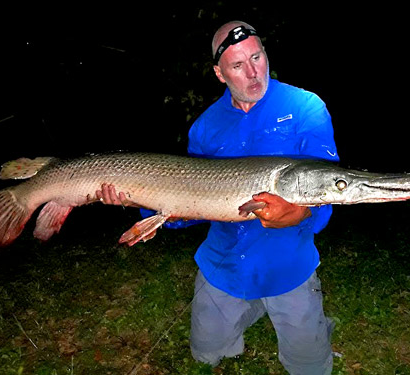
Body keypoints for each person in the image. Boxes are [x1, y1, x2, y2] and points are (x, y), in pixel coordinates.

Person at [98, 20, 339, 375]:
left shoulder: (306, 107)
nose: (254, 72)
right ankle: (255, 307)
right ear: (219, 73)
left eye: (257, 57)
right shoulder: (206, 126)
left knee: (311, 367)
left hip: (288, 263)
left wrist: (301, 213)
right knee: (205, 355)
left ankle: (306, 319)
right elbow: (191, 206)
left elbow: (327, 189)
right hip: (225, 262)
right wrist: (143, 204)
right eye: (238, 66)